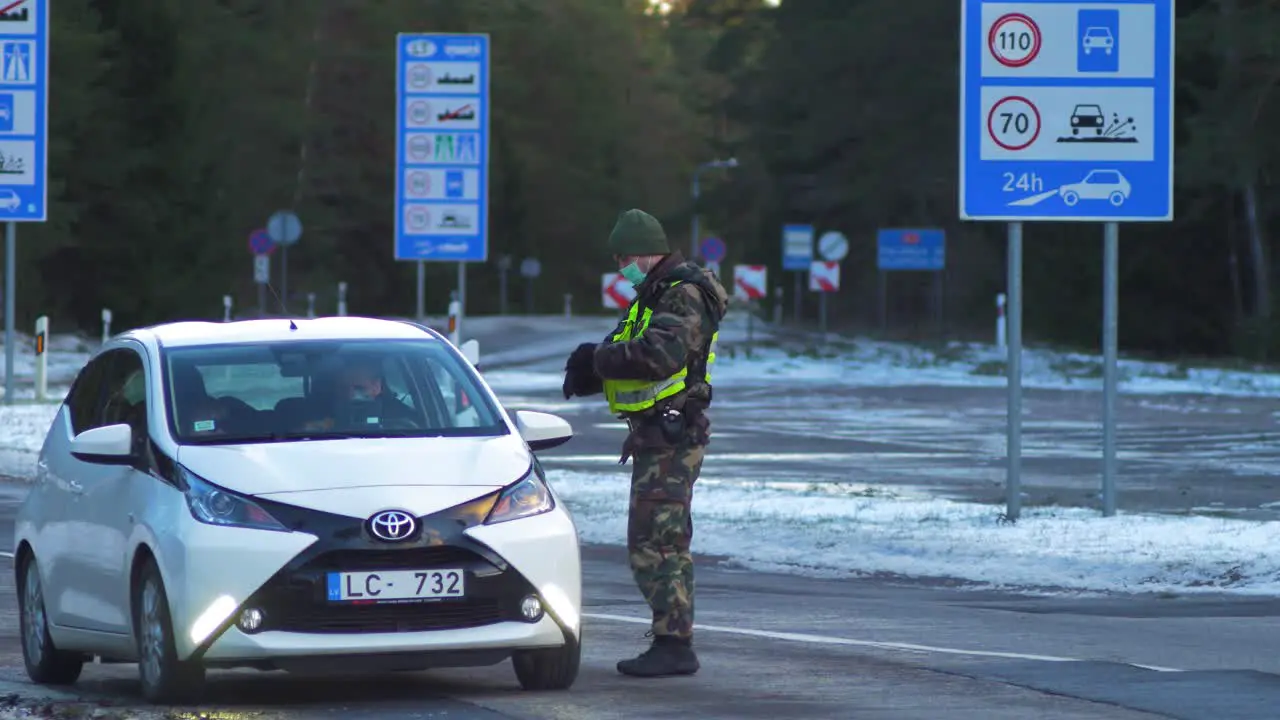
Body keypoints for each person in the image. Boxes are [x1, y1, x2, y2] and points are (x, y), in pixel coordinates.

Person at [562, 208, 729, 678]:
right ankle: (672, 639)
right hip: (658, 435)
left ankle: (674, 643)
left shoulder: (682, 296)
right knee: (660, 539)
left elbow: (659, 355)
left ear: (645, 252)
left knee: (655, 542)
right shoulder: (654, 295)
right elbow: (633, 352)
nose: (621, 267)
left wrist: (597, 360)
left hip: (673, 434)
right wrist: (592, 372)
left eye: (624, 258)